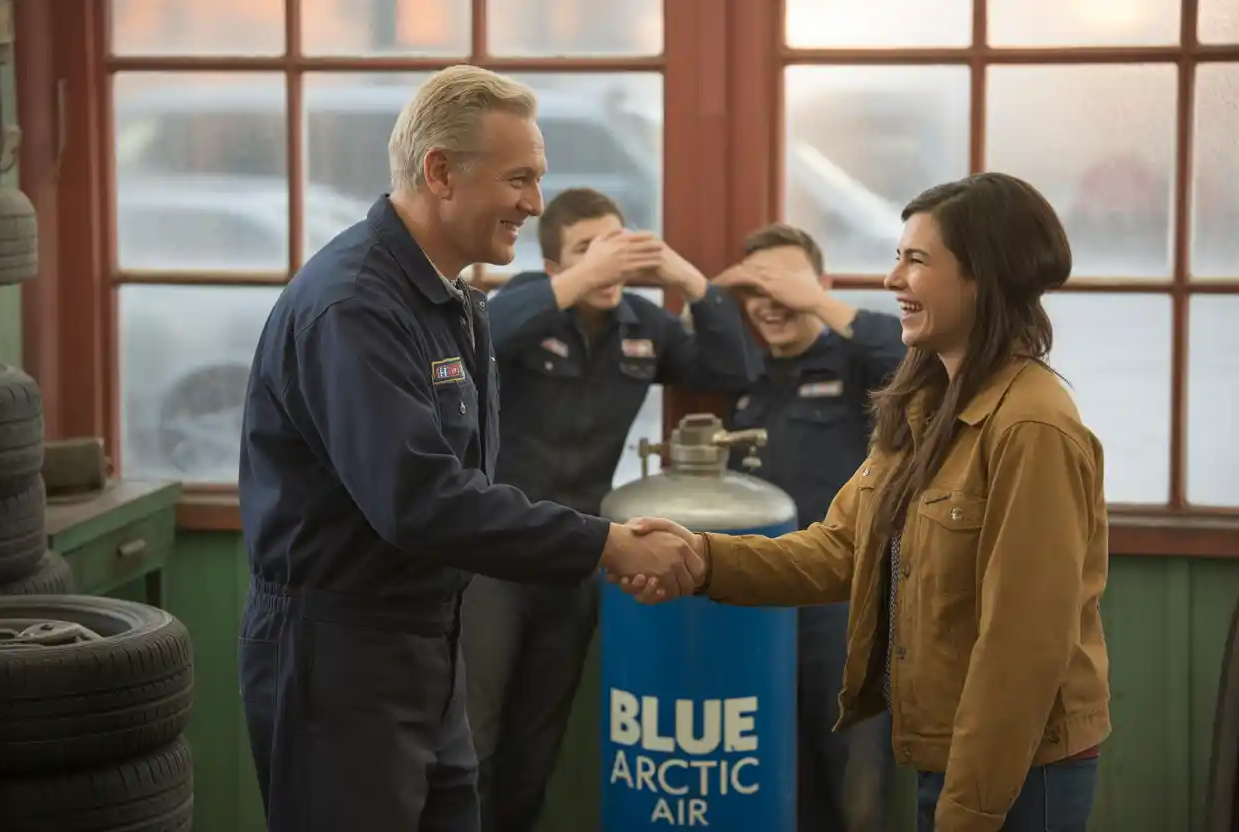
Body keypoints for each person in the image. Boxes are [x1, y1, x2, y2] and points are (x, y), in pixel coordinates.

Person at [236, 65, 704, 832]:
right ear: (440, 172)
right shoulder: (354, 304)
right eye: (518, 178)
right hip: (340, 655)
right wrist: (606, 545)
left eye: (538, 178)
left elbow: (461, 482)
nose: (535, 203)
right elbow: (420, 500)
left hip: (429, 641)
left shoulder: (457, 302)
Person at [621, 172, 1111, 832]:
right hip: (953, 758)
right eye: (896, 257)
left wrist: (966, 813)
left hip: (1019, 771)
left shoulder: (1032, 426)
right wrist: (702, 558)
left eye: (916, 260)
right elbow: (839, 549)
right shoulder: (925, 405)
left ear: (980, 277)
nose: (892, 280)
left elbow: (1022, 649)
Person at [463, 187, 760, 832]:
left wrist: (687, 280)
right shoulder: (519, 304)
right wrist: (581, 281)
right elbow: (481, 340)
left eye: (615, 247)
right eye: (585, 250)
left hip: (575, 556)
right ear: (553, 268)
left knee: (535, 747)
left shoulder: (643, 329)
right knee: (473, 744)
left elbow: (732, 367)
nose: (605, 264)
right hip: (492, 561)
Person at [713, 222, 904, 831]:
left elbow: (915, 354)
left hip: (842, 602)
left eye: (786, 286)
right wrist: (709, 290)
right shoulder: (744, 372)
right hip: (760, 597)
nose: (772, 304)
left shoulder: (859, 362)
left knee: (853, 777)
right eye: (757, 291)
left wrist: (813, 299)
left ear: (819, 285)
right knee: (771, 767)